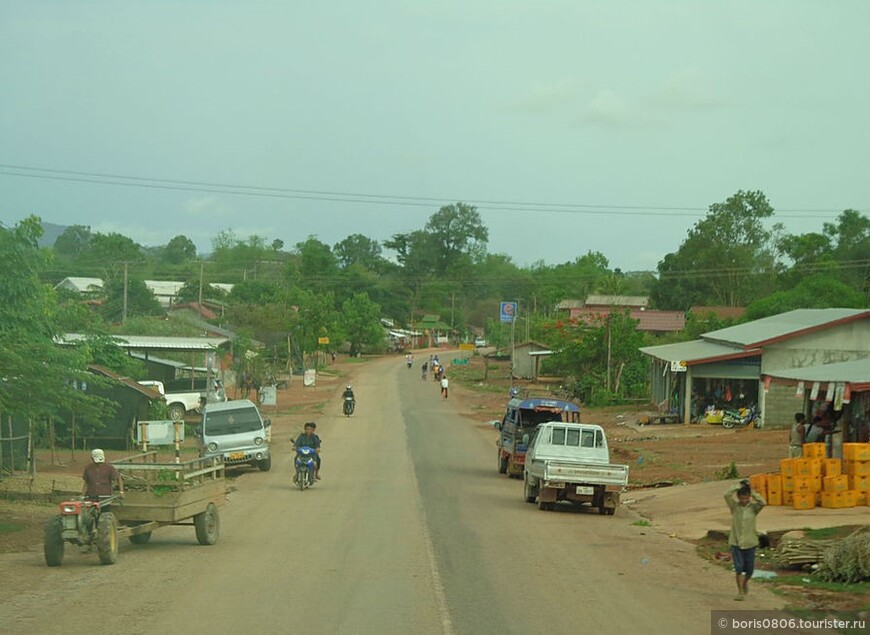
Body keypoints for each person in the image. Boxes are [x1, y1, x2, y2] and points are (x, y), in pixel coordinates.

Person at [724, 479, 766, 601]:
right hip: (736, 542)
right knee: (738, 568)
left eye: (746, 498)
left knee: (749, 570)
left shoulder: (753, 508)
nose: (743, 501)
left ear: (749, 498)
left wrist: (752, 492)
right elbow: (726, 495)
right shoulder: (734, 507)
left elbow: (763, 502)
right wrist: (738, 486)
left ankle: (745, 582)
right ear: (738, 497)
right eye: (741, 498)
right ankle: (740, 591)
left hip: (750, 542)